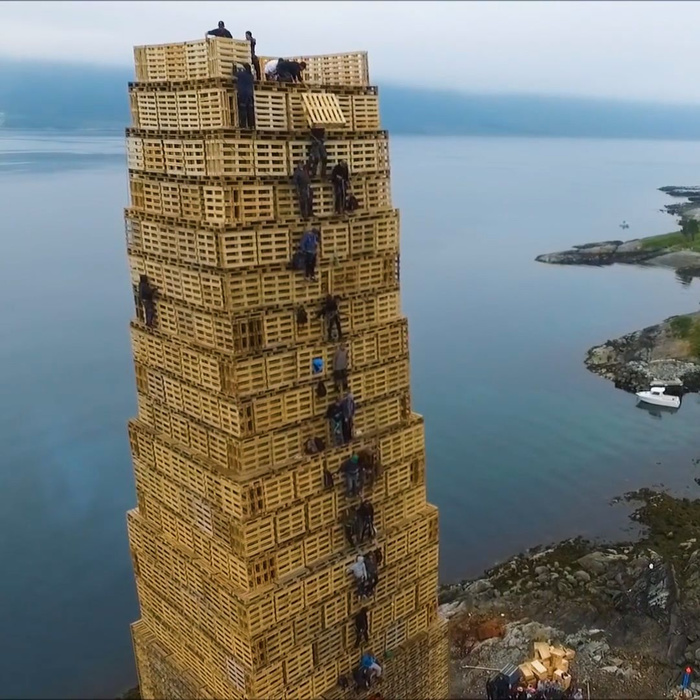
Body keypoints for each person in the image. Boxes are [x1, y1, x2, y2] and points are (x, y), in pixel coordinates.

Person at [235, 63, 255, 129]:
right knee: (250, 110)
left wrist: (234, 66)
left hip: (243, 94)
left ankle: (243, 125)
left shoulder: (242, 74)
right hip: (250, 95)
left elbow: (234, 73)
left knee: (243, 109)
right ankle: (251, 125)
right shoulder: (251, 76)